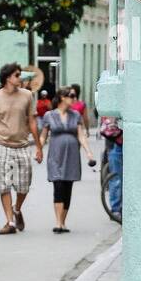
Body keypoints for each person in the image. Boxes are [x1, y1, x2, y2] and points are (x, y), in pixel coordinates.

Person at [0, 62, 43, 235]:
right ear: (7, 78)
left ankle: (17, 209)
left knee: (23, 185)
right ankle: (10, 221)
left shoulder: (27, 95)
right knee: (4, 185)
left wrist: (39, 147)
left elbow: (32, 121)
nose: (21, 78)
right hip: (1, 144)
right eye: (17, 75)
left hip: (22, 145)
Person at [39, 88, 95, 233]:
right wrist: (38, 149)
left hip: (72, 156)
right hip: (55, 156)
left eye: (74, 96)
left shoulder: (75, 115)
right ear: (62, 97)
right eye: (71, 96)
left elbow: (81, 135)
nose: (74, 98)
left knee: (67, 187)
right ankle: (58, 222)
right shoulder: (49, 115)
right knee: (58, 186)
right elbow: (43, 135)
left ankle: (63, 222)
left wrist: (88, 152)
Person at [101, 115, 123, 220]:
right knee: (116, 179)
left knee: (117, 179)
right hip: (117, 144)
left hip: (117, 144)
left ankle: (117, 209)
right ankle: (116, 209)